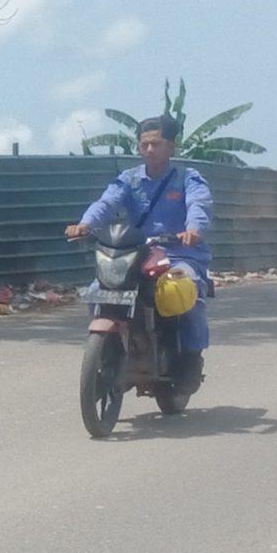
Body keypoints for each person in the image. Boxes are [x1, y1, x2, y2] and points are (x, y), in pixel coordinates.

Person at [65, 114, 212, 392]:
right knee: (97, 289)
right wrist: (85, 225)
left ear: (171, 146)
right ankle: (110, 347)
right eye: (144, 144)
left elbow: (199, 206)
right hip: (136, 253)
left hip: (179, 253)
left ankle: (191, 357)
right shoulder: (128, 179)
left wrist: (193, 229)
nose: (149, 150)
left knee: (185, 289)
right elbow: (106, 203)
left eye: (156, 144)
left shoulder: (188, 178)